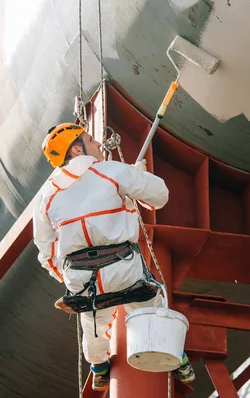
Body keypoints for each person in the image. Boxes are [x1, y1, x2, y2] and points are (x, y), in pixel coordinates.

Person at [32, 123, 195, 391]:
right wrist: (137, 177)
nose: (98, 143)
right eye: (90, 139)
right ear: (76, 149)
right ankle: (177, 359)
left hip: (81, 278)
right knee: (151, 305)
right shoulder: (111, 171)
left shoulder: (47, 195)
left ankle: (99, 368)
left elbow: (46, 251)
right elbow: (160, 197)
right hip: (123, 269)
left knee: (93, 324)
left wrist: (69, 278)